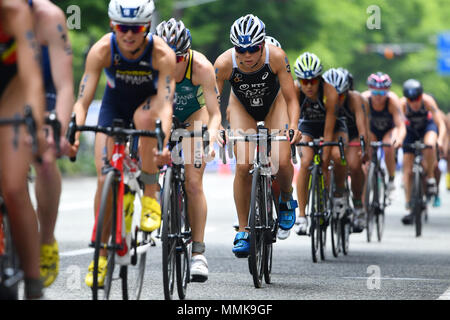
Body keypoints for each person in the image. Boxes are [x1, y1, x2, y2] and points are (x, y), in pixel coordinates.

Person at [68, 0, 176, 288]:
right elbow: (83, 100)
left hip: (149, 105)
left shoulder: (162, 54)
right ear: (112, 26)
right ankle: (101, 256)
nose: (128, 35)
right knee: (105, 178)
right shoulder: (102, 50)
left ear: (148, 27)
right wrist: (74, 130)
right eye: (121, 28)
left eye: (136, 28)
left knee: (144, 119)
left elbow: (165, 106)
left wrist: (162, 141)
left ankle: (151, 196)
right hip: (114, 107)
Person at [214, 14, 301, 257]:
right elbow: (211, 102)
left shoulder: (276, 57)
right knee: (242, 166)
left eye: (253, 48)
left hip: (275, 105)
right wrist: (218, 126)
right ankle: (243, 230)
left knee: (281, 160)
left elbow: (292, 98)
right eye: (241, 50)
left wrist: (293, 126)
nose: (247, 55)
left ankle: (285, 197)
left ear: (262, 44)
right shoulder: (223, 63)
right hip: (243, 108)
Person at [155, 18, 222, 282]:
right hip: (164, 113)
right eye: (166, 56)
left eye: (179, 57)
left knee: (193, 183)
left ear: (188, 54)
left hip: (195, 116)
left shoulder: (203, 67)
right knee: (147, 163)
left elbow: (215, 114)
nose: (172, 63)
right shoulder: (151, 63)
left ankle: (198, 253)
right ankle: (161, 200)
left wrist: (211, 138)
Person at [0, 0, 46, 299]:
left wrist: (38, 128)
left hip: (11, 87)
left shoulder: (15, 11)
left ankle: (32, 279)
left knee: (14, 187)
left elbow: (32, 78)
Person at [28, 0, 74, 288]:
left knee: (44, 158)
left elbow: (65, 86)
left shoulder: (50, 17)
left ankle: (45, 240)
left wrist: (59, 129)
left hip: (47, 91)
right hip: (10, 87)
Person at [292, 53, 347, 236]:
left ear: (319, 79)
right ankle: (302, 215)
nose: (308, 85)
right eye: (303, 81)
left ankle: (337, 194)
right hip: (308, 125)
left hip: (331, 125)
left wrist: (325, 154)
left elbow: (330, 125)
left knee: (335, 157)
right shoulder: (295, 89)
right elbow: (290, 116)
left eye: (313, 81)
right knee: (306, 162)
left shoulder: (330, 91)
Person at [323, 68, 369, 232]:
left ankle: (358, 204)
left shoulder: (356, 99)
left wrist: (364, 148)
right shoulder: (321, 97)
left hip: (353, 133)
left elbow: (363, 128)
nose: (337, 99)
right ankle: (326, 196)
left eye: (341, 96)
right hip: (333, 132)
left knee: (355, 166)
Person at [399, 79, 447, 225]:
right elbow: (400, 126)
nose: (414, 102)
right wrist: (400, 140)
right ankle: (408, 205)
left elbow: (441, 124)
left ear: (421, 96)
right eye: (411, 99)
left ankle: (431, 177)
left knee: (429, 144)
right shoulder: (402, 104)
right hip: (410, 131)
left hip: (428, 127)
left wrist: (440, 140)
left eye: (417, 98)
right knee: (407, 171)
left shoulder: (428, 101)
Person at [362, 72, 406, 195]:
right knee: (368, 149)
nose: (378, 96)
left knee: (389, 145)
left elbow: (401, 125)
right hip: (371, 131)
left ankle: (391, 178)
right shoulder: (364, 99)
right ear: (370, 90)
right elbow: (358, 122)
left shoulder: (392, 101)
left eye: (382, 93)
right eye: (375, 92)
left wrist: (400, 139)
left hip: (388, 130)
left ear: (387, 92)